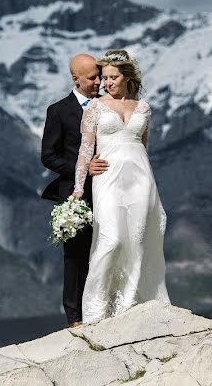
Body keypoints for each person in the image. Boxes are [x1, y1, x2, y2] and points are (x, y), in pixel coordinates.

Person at [72, 49, 170, 323]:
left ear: (126, 77)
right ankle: (96, 313)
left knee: (137, 241)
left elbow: (143, 146)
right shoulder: (95, 108)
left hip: (140, 180)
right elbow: (84, 150)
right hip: (107, 179)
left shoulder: (143, 109)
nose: (106, 83)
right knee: (111, 239)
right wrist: (79, 188)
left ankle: (128, 308)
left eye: (112, 77)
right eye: (104, 78)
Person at [40, 53, 109, 328]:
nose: (98, 82)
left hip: (107, 190)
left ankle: (100, 308)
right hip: (74, 194)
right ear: (75, 78)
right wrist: (81, 169)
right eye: (93, 77)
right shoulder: (58, 111)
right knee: (75, 256)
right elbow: (48, 156)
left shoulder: (107, 107)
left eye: (100, 77)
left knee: (103, 250)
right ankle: (74, 317)